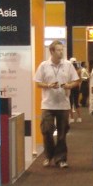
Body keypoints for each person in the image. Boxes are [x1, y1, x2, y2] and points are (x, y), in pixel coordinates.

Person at [34, 40, 80, 168]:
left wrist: (69, 85)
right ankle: (49, 156)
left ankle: (61, 159)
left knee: (62, 133)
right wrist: (49, 85)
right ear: (52, 51)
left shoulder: (68, 65)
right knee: (46, 130)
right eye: (58, 50)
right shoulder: (44, 65)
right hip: (47, 104)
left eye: (62, 50)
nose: (61, 52)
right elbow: (38, 83)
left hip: (63, 104)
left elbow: (76, 81)